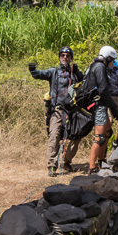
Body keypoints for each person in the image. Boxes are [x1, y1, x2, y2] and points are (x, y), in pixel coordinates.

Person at [28, 47, 80, 176]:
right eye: (62, 55)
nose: (65, 57)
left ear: (71, 58)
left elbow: (86, 82)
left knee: (76, 137)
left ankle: (67, 161)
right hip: (56, 110)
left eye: (67, 56)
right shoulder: (53, 72)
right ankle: (52, 165)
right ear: (59, 57)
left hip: (72, 111)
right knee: (54, 136)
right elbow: (38, 75)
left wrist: (78, 73)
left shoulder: (75, 73)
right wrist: (32, 69)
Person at [76, 46, 118, 171]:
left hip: (97, 104)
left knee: (107, 132)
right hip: (98, 106)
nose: (113, 63)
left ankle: (101, 160)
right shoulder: (100, 67)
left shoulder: (94, 65)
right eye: (112, 60)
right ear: (107, 58)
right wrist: (113, 106)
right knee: (100, 137)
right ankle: (92, 167)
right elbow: (102, 89)